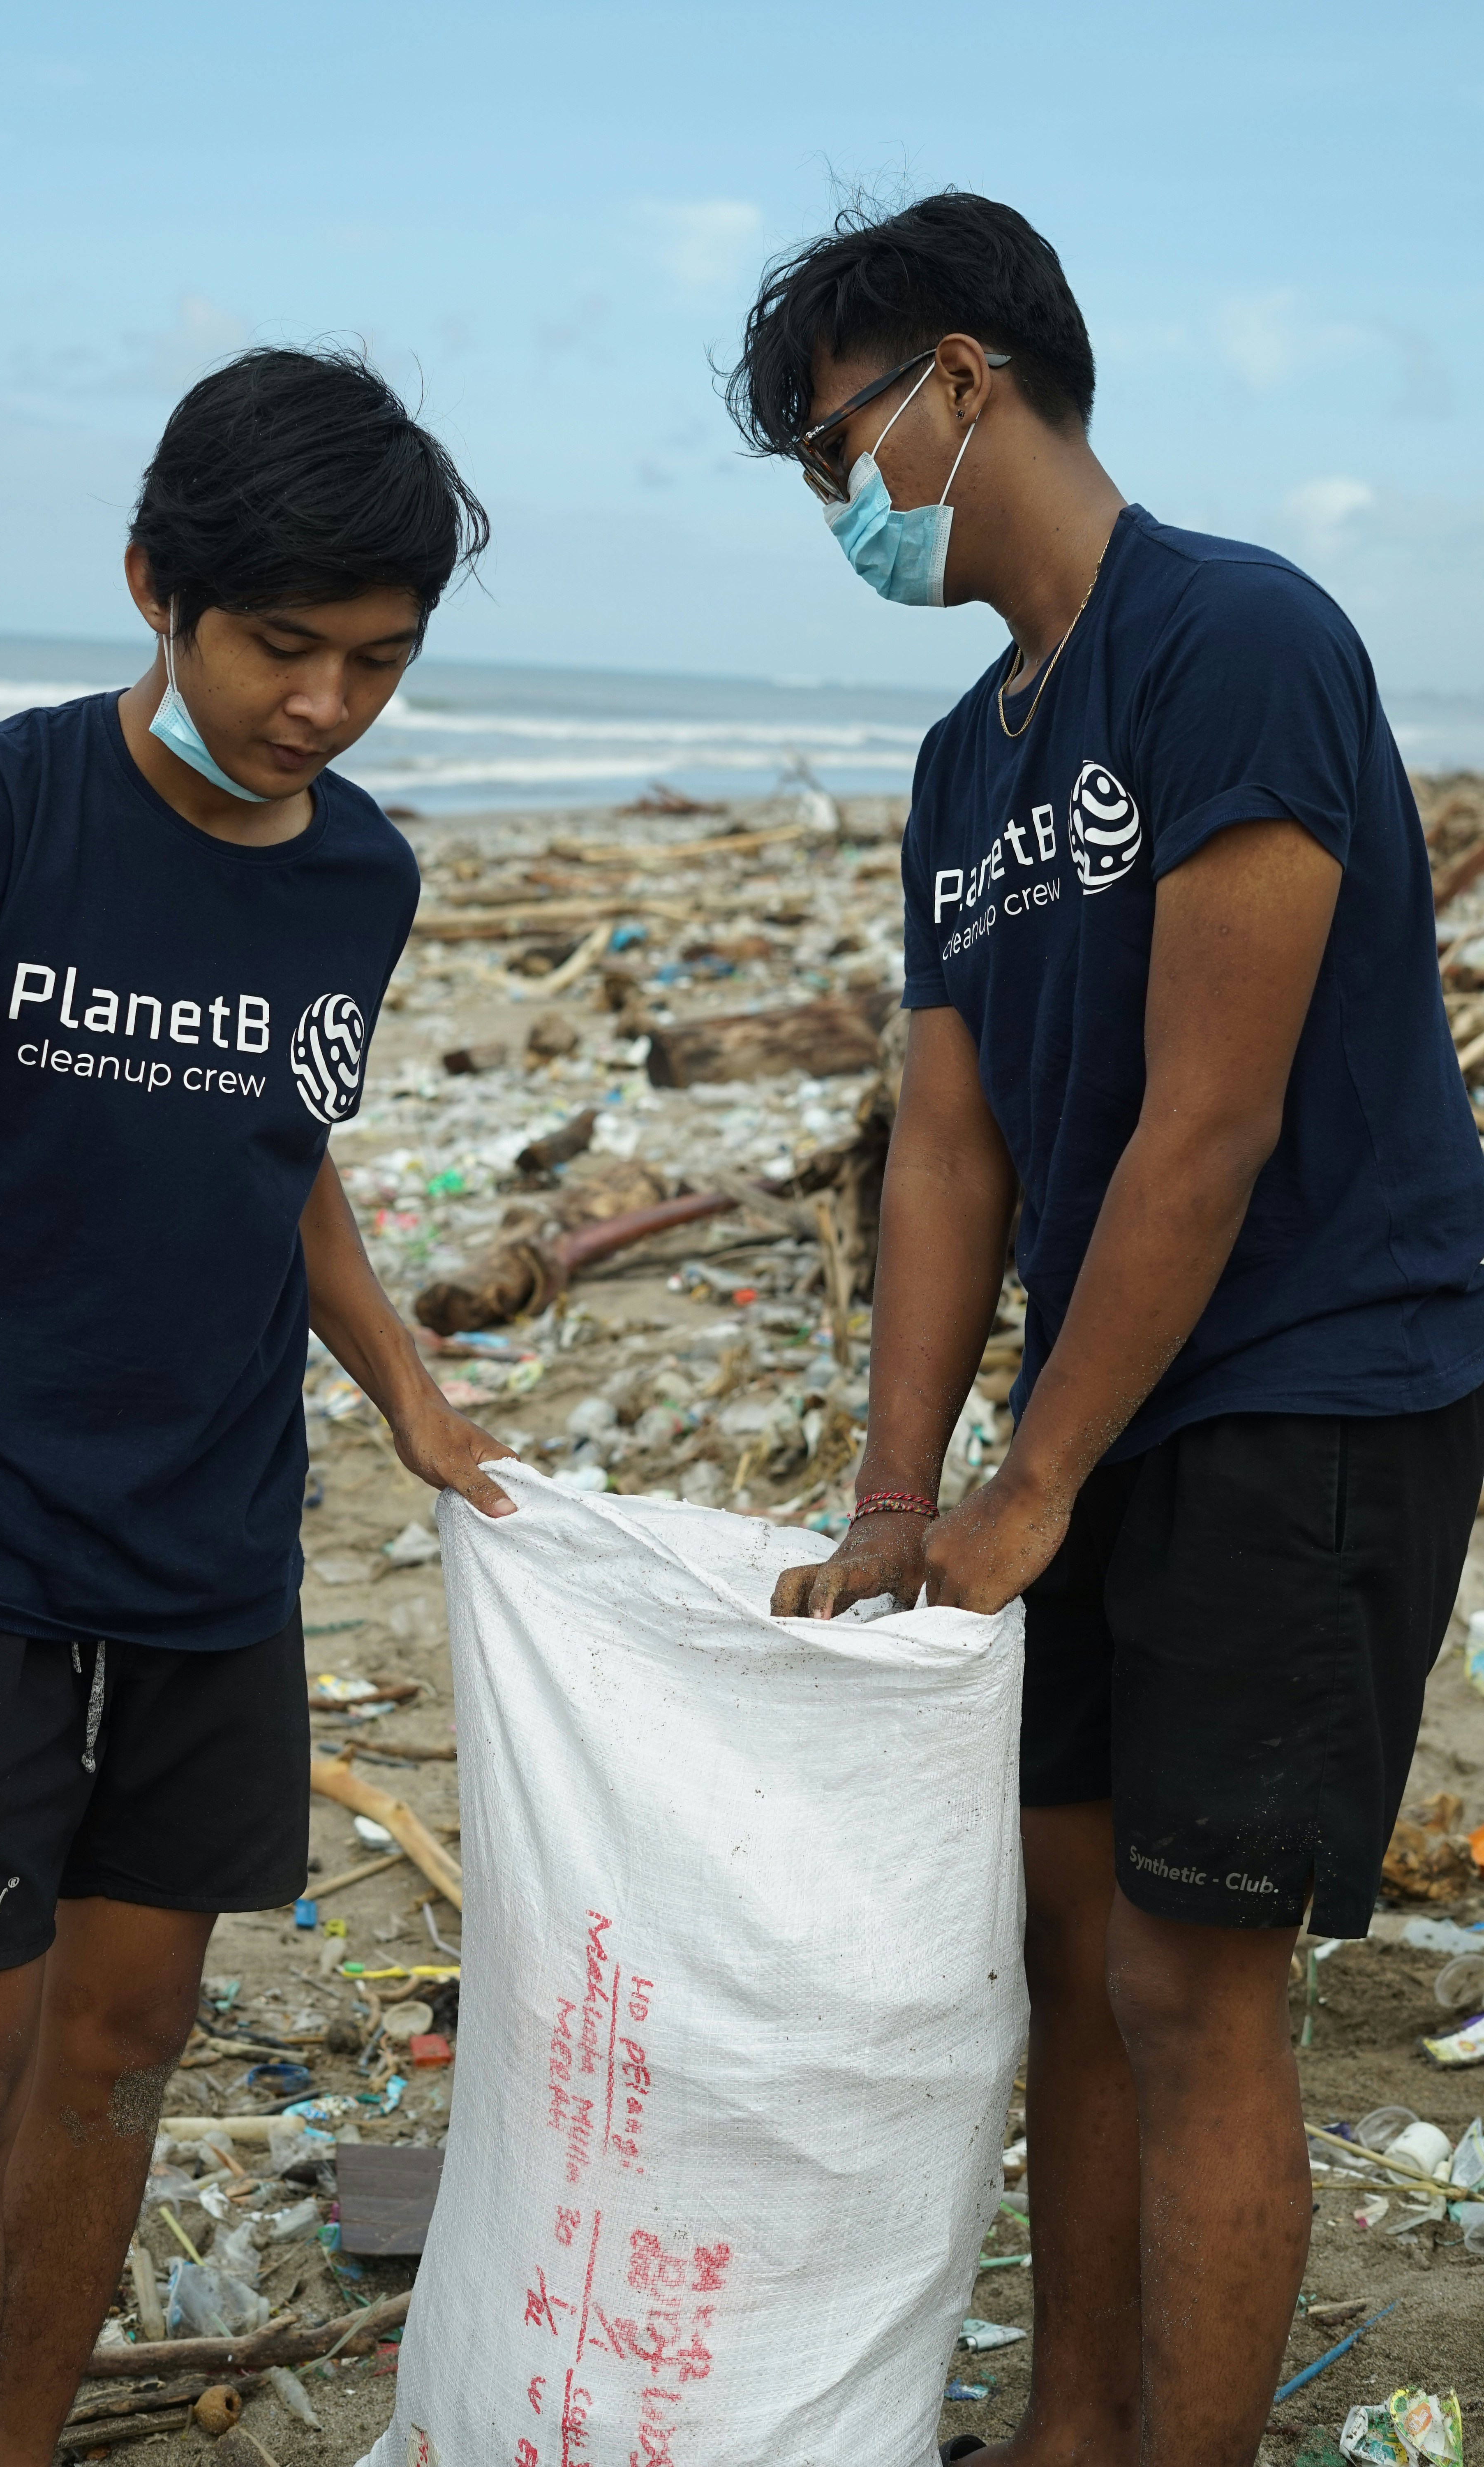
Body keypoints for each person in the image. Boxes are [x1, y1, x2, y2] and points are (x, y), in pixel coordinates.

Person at [728, 194, 1484, 2467]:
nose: (834, 505)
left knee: (1190, 1979)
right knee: (1065, 1950)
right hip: (1118, 1392)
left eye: (835, 443)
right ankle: (1070, 2427)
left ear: (966, 381)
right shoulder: (969, 767)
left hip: (1315, 1384)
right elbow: (950, 1155)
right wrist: (900, 1498)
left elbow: (1209, 1122)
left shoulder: (1231, 641)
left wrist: (1030, 1479)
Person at [0, 346, 514, 2467]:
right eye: (281, 645)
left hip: (214, 1562)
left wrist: (408, 1386)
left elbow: (281, 1145)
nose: (323, 704)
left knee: (125, 2055)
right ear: (156, 585)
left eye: (380, 660)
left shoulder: (361, 882)